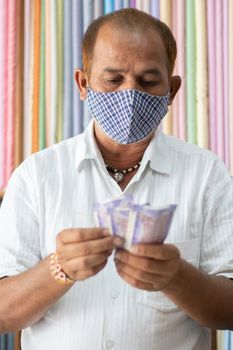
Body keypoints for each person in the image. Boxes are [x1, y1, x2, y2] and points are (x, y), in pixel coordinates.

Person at [0, 8, 233, 350]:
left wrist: (178, 278)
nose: (130, 95)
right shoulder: (36, 176)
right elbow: (4, 313)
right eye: (113, 80)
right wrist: (58, 267)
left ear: (171, 90)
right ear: (83, 84)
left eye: (148, 81)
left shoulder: (207, 175)